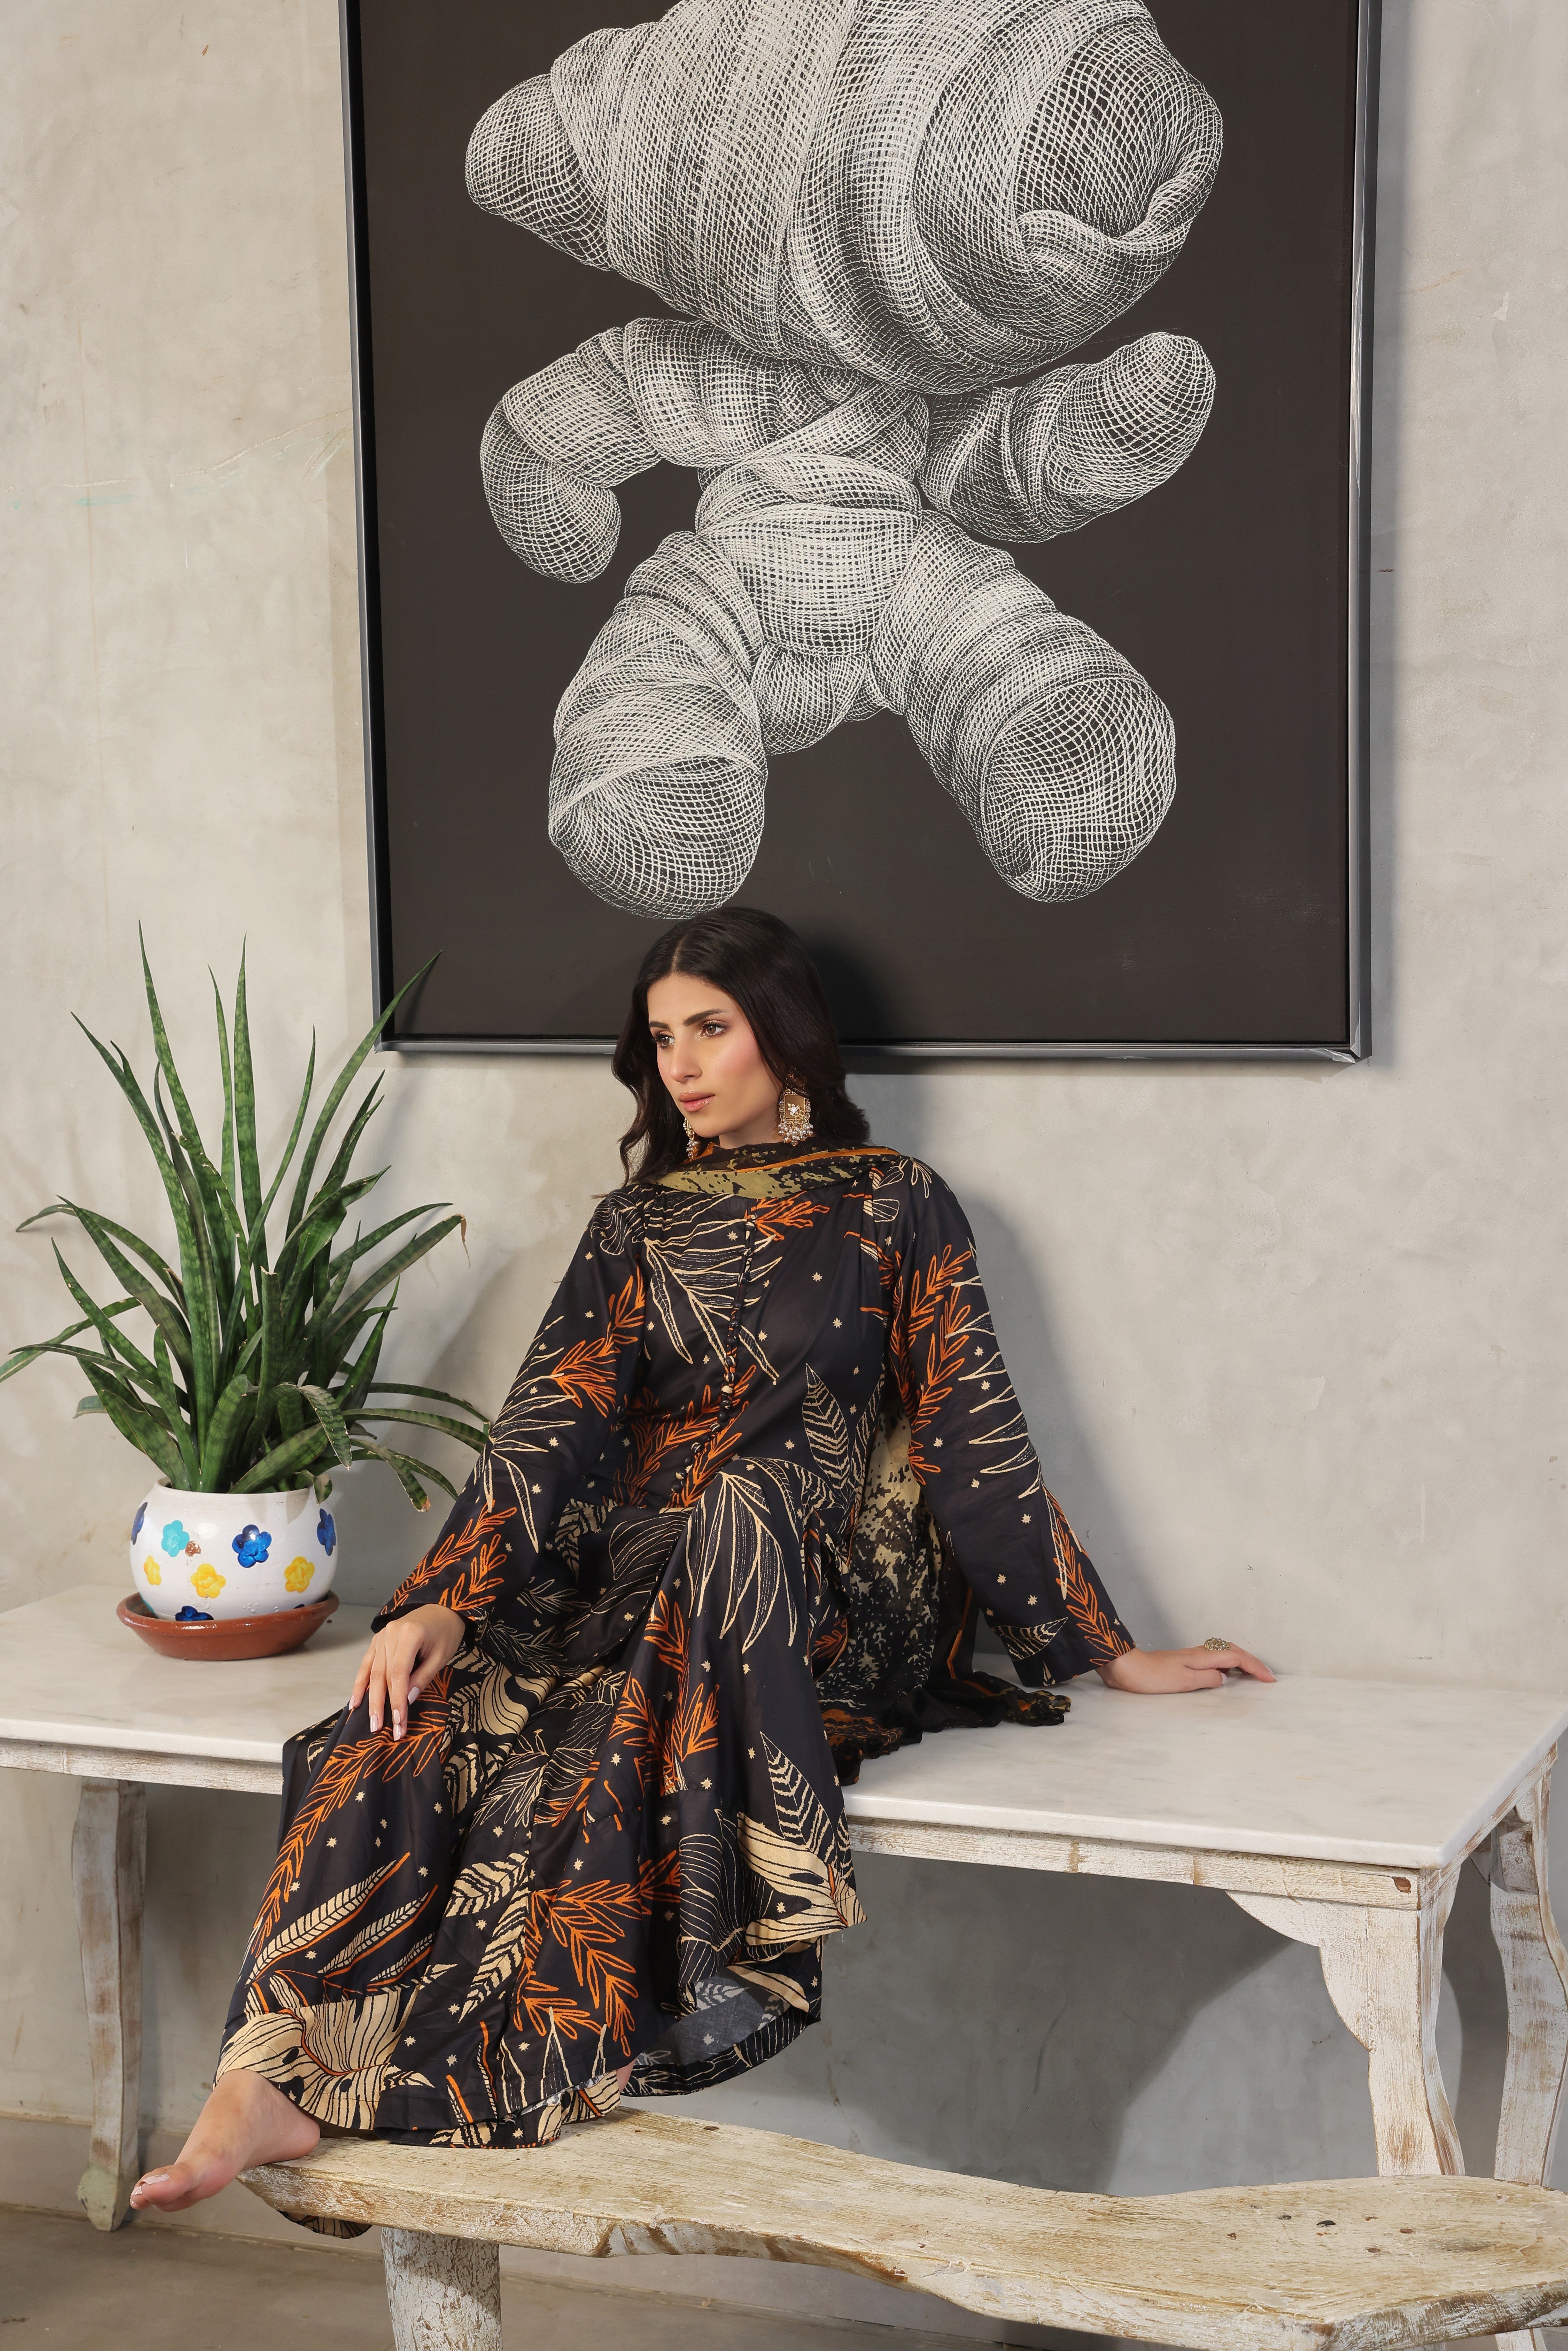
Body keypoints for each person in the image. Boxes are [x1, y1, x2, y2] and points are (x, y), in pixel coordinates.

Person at [131, 909, 1270, 2214]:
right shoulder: (637, 1223)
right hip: (635, 1577)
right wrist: (443, 1601)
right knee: (416, 1716)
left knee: (735, 1511)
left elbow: (973, 1435)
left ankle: (479, 2056)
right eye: (661, 1036)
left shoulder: (896, 1201)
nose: (678, 1063)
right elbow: (549, 1423)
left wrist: (1104, 1652)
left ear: (781, 1034)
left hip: (820, 1597)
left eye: (709, 1029)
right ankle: (266, 2074)